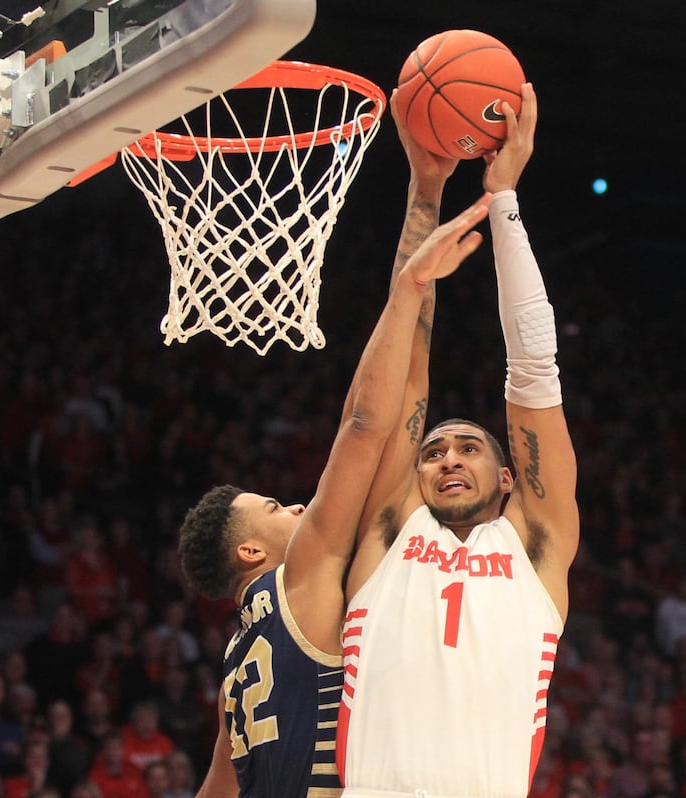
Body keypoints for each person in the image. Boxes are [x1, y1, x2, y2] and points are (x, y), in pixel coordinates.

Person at [178, 146, 495, 795]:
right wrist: (410, 277)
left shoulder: (236, 672)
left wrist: (426, 190)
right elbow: (364, 424)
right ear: (250, 550)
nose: (295, 507)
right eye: (274, 509)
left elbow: (216, 791)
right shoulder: (301, 577)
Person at [337, 82, 581, 798]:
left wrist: (503, 200)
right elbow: (404, 371)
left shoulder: (535, 546)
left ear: (510, 479)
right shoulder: (390, 528)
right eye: (435, 449)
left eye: (470, 447)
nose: (446, 457)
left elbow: (536, 369)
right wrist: (425, 188)